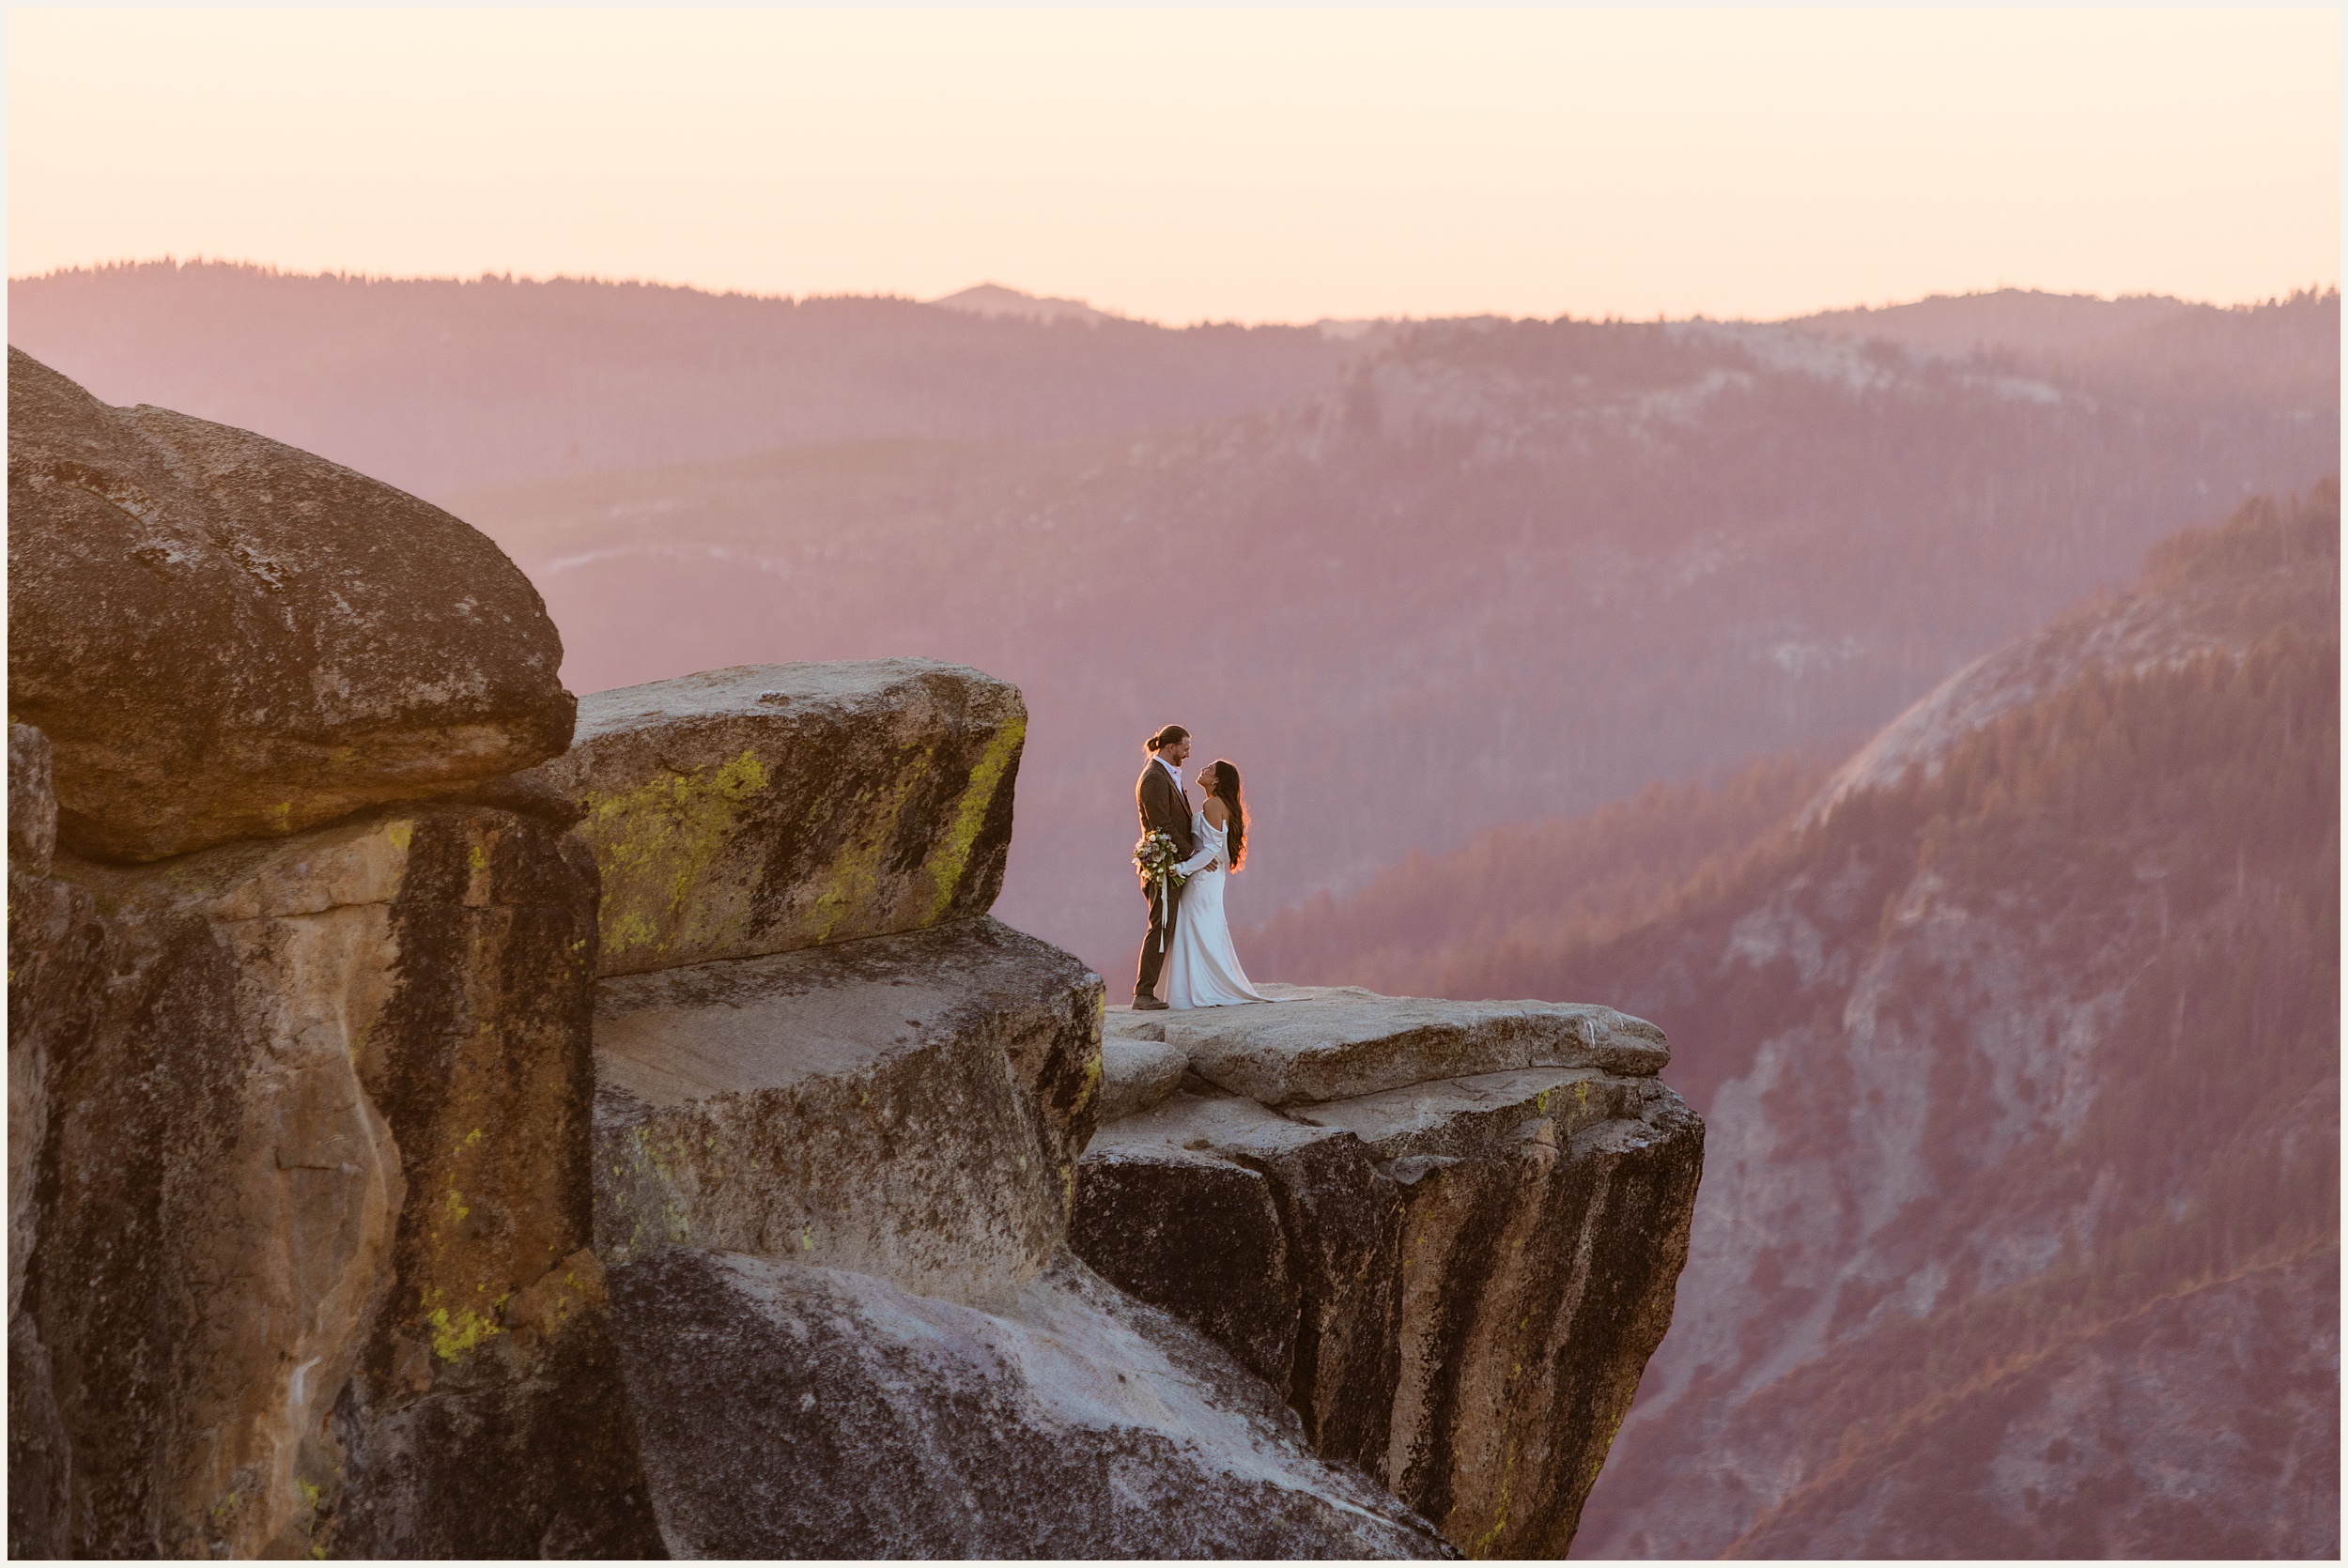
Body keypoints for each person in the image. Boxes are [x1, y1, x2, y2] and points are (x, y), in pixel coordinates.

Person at [1162, 758, 1273, 1008]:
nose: (1203, 769)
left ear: (1218, 780)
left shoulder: (1212, 804)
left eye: (1210, 769)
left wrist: (1180, 868)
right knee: (1203, 928)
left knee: (1193, 925)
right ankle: (1199, 986)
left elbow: (1211, 850)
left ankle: (1194, 990)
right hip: (1210, 875)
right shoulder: (1221, 805)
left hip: (1202, 876)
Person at [1131, 725, 1196, 1010]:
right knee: (1161, 925)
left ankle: (1159, 990)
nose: (1188, 753)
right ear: (1171, 748)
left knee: (1166, 925)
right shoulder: (1154, 779)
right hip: (1164, 867)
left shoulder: (1164, 774)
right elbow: (1163, 826)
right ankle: (1143, 993)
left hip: (1172, 864)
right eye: (1185, 747)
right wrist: (1192, 855)